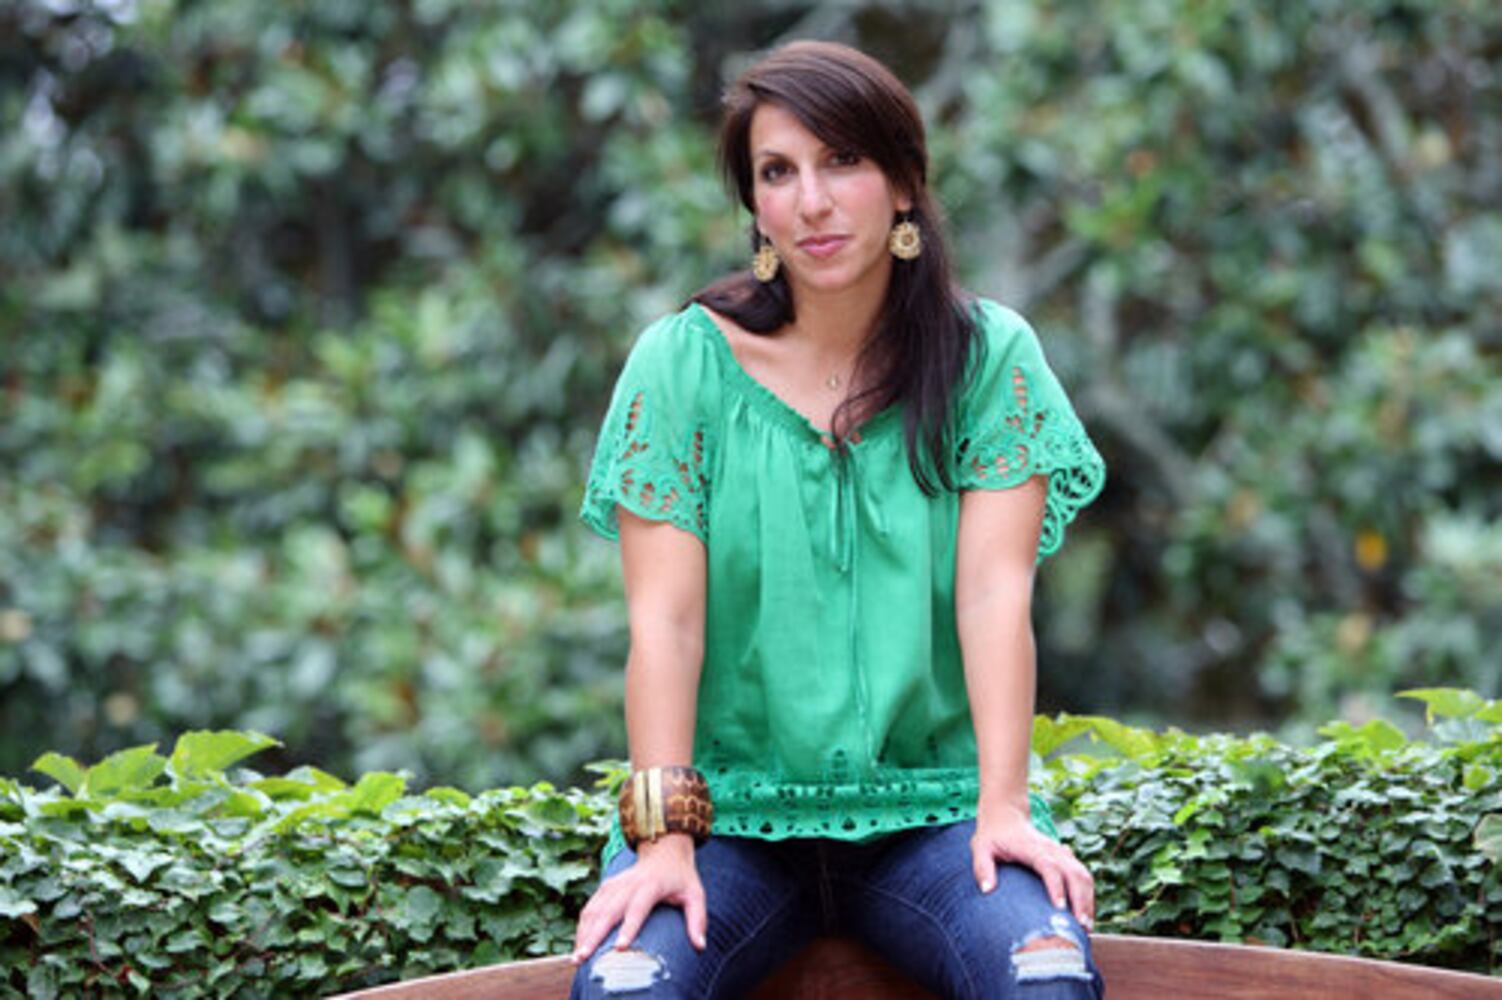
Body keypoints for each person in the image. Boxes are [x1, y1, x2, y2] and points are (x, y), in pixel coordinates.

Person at [568, 39, 1107, 999]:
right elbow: (666, 625)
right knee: (629, 986)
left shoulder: (990, 361)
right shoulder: (681, 365)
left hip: (938, 821)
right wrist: (664, 842)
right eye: (778, 172)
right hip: (730, 829)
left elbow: (993, 596)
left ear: (903, 183)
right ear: (756, 206)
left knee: (1047, 978)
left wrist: (1005, 808)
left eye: (842, 161)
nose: (811, 201)